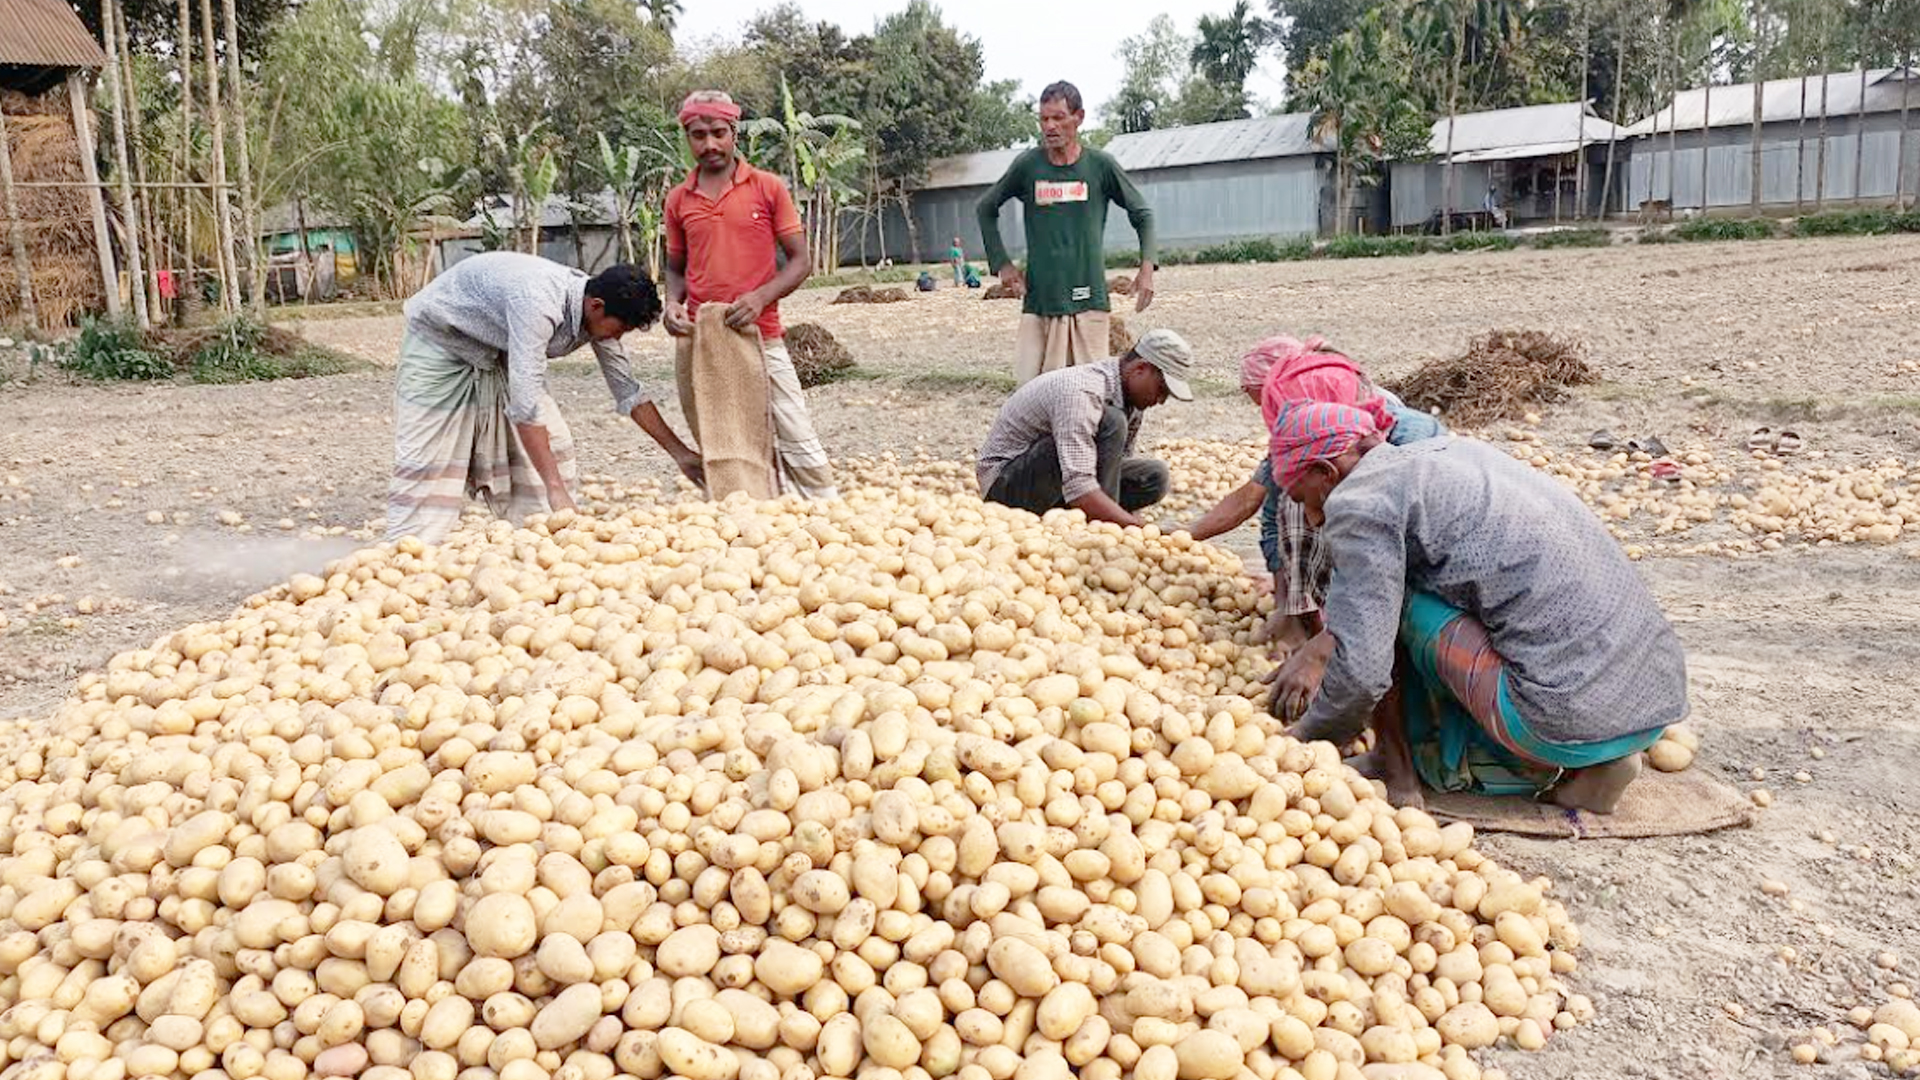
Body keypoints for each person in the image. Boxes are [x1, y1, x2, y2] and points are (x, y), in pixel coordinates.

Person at [1265, 402, 1689, 814]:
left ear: (1326, 472)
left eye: (1304, 499)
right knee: (1395, 600)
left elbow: (1363, 669)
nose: (1312, 518)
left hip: (1561, 720)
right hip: (1650, 699)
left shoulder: (1360, 500)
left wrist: (1309, 737)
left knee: (1386, 610)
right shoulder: (1453, 451)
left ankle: (1400, 770)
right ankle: (1603, 754)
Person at [385, 252, 703, 545]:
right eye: (618, 329)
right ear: (596, 306)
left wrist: (681, 454)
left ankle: (535, 543)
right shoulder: (538, 302)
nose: (616, 338)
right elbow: (525, 409)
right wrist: (556, 489)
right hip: (443, 340)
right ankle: (407, 555)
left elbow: (628, 391)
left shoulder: (598, 313)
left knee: (556, 447)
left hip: (499, 349)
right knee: (428, 465)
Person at [1187, 336, 1442, 654]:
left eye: (1262, 399)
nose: (1267, 414)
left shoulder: (1401, 445)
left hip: (1431, 575)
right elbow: (1270, 511)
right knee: (1294, 508)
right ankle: (1314, 622)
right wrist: (1286, 604)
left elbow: (1377, 560)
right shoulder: (1307, 426)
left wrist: (1325, 647)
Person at [664, 89, 838, 500]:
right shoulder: (677, 200)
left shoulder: (767, 188)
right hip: (705, 338)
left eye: (718, 133)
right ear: (687, 137)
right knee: (724, 430)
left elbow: (799, 261)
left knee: (792, 424)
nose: (709, 144)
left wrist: (760, 298)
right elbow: (675, 268)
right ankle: (747, 509)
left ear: (734, 133)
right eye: (698, 135)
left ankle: (824, 509)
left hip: (762, 331)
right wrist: (672, 303)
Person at [977, 81, 1157, 385]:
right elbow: (985, 208)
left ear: (1079, 117)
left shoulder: (1100, 166)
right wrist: (1003, 264)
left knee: (1088, 397)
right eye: (1044, 118)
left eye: (1059, 117)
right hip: (1040, 303)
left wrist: (1147, 268)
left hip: (1089, 303)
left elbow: (1142, 214)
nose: (1050, 126)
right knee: (1031, 397)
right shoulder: (1028, 166)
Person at [976, 328, 1193, 527]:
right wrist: (1136, 529)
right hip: (1006, 489)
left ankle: (1093, 521)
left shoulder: (1133, 402)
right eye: (1162, 389)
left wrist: (1133, 524)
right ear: (1140, 369)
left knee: (1154, 477)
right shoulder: (1082, 391)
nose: (1161, 400)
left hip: (1057, 486)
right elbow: (1079, 485)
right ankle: (1103, 527)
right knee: (1111, 421)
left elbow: (1115, 468)